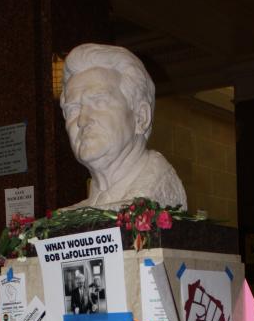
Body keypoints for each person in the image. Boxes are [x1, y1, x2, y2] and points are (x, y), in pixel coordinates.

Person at [60, 43, 187, 210]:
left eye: (99, 102)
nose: (82, 120)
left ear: (141, 117)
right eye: (73, 109)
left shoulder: (153, 197)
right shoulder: (73, 215)